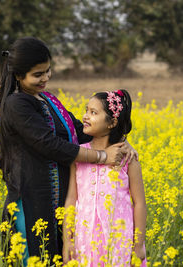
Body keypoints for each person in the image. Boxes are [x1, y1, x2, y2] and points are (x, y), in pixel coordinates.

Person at [0, 37, 137, 265]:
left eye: (48, 71)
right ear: (19, 76)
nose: (45, 78)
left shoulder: (48, 100)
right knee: (34, 257)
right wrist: (102, 157)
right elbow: (49, 144)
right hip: (32, 201)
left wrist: (119, 142)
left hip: (58, 202)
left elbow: (82, 131)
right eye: (38, 74)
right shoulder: (16, 104)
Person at [63, 89, 147, 266]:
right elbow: (71, 199)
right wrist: (67, 240)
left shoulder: (127, 158)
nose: (85, 116)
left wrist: (138, 245)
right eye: (86, 110)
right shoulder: (79, 155)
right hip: (83, 239)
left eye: (93, 112)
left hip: (119, 240)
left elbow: (139, 202)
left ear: (112, 123)